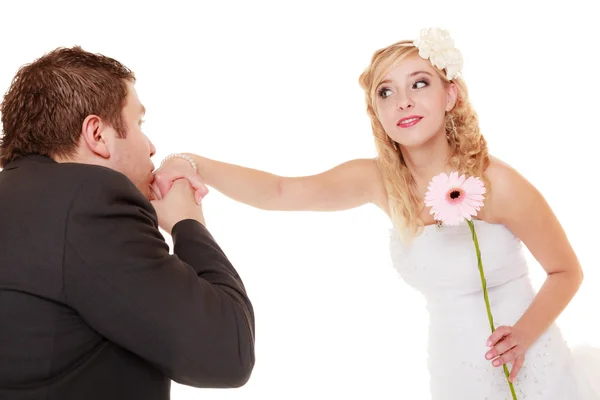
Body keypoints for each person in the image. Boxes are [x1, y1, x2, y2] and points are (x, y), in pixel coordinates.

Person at [154, 28, 600, 399]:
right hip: (453, 367)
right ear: (378, 114)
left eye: (419, 83)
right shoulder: (377, 181)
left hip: (528, 359)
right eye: (387, 92)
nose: (403, 101)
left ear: (451, 94)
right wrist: (194, 163)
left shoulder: (496, 182)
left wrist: (522, 335)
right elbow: (282, 190)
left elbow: (567, 271)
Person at [0, 46, 255, 400]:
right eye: (139, 123)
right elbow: (228, 353)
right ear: (98, 135)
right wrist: (188, 223)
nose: (150, 146)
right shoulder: (89, 199)